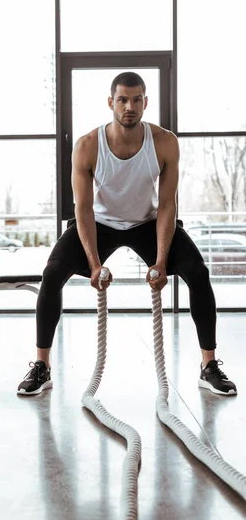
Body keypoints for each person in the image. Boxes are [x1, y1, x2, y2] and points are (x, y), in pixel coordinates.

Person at [17, 71, 237, 398]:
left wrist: (161, 261)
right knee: (52, 273)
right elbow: (83, 210)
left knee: (197, 272)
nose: (129, 106)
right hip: (99, 223)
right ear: (111, 103)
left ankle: (209, 365)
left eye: (136, 100)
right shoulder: (88, 146)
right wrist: (93, 265)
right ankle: (41, 366)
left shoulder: (164, 142)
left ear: (145, 103)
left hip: (148, 221)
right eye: (122, 100)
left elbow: (166, 205)